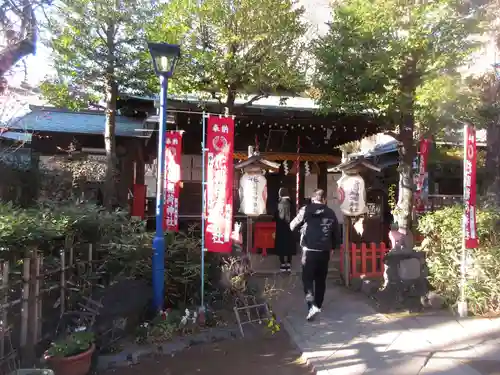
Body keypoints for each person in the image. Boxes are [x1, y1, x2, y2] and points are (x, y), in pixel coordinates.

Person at [290, 189, 340, 321]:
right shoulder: (331, 212)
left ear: (313, 199)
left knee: (307, 281)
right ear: (324, 200)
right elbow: (336, 232)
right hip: (324, 251)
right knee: (320, 280)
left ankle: (311, 306)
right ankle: (318, 305)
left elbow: (292, 225)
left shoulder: (305, 210)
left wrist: (300, 238)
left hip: (308, 251)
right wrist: (333, 246)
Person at [274, 187, 296, 272]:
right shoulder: (291, 203)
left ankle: (282, 264)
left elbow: (275, 216)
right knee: (289, 245)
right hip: (290, 227)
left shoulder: (278, 203)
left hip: (280, 228)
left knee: (281, 245)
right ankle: (289, 263)